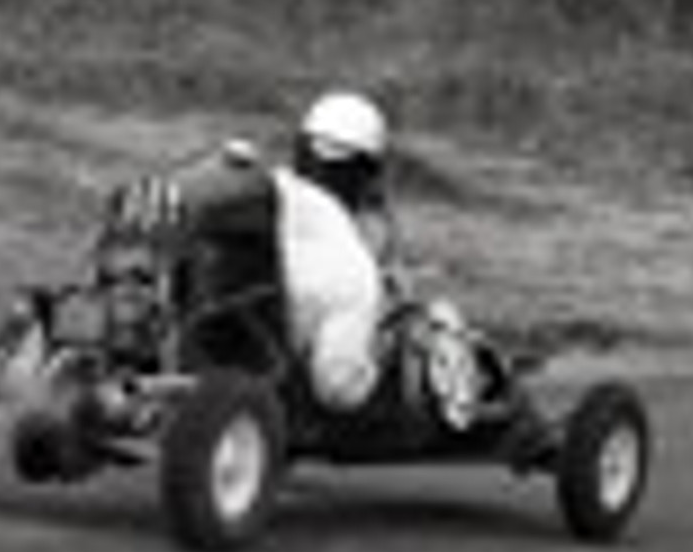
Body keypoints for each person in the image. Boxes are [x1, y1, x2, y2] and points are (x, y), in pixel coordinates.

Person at [111, 90, 493, 429]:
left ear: (302, 147)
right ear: (369, 172)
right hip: (284, 376)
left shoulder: (274, 191)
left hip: (209, 342)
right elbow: (340, 390)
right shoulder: (353, 267)